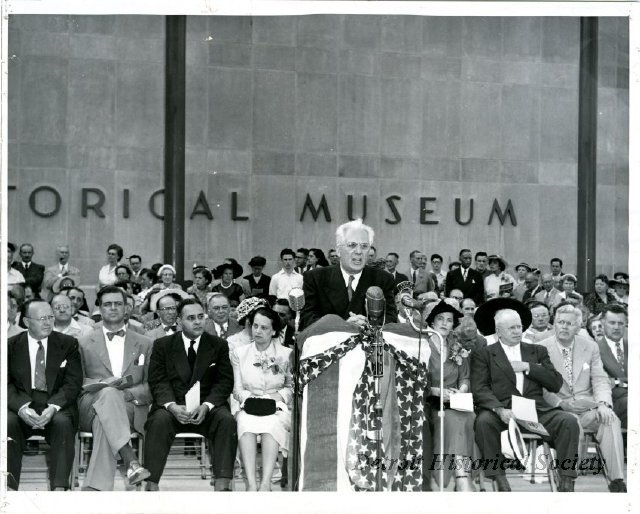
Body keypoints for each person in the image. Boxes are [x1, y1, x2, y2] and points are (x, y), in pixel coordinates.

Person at [471, 298, 581, 492]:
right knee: (483, 421)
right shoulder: (484, 354)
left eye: (519, 327)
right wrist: (498, 409)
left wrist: (529, 367)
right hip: (503, 412)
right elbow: (480, 388)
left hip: (536, 411)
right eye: (511, 328)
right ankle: (499, 479)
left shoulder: (537, 351)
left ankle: (567, 481)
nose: (517, 332)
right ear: (498, 331)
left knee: (568, 421)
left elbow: (555, 383)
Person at [144, 299, 237, 491]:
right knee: (158, 421)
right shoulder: (162, 345)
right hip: (173, 408)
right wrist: (171, 406)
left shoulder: (218, 345)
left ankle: (223, 485)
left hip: (207, 408)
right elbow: (158, 381)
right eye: (191, 318)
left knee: (226, 421)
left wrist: (207, 406)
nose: (197, 322)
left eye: (200, 317)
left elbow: (224, 381)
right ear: (179, 321)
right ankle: (151, 485)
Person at [539, 304, 626, 492]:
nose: (564, 327)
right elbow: (540, 386)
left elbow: (600, 379)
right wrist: (559, 403)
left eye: (569, 324)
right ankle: (568, 477)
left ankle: (617, 480)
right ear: (554, 324)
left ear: (578, 327)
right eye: (560, 322)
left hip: (587, 408)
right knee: (570, 423)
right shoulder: (541, 348)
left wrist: (604, 404)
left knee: (610, 420)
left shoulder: (590, 346)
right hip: (558, 409)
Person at [77, 286, 153, 490]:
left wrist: (129, 393)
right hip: (90, 405)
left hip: (130, 406)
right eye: (107, 304)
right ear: (100, 309)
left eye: (118, 304)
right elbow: (76, 381)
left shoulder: (145, 343)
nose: (113, 308)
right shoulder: (82, 342)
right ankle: (130, 459)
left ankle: (96, 486)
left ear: (127, 308)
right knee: (108, 394)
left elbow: (151, 384)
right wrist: (101, 386)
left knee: (105, 417)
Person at [7, 299, 83, 490]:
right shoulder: (11, 345)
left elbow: (73, 383)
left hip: (56, 402)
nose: (48, 322)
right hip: (22, 401)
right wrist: (22, 408)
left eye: (50, 317)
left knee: (63, 423)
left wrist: (54, 407)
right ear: (26, 321)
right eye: (42, 318)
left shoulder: (68, 344)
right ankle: (8, 487)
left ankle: (59, 488)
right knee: (7, 424)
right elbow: (5, 383)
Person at [230, 307, 293, 491]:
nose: (258, 331)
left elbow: (290, 387)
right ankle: (251, 483)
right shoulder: (240, 354)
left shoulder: (286, 354)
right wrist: (251, 399)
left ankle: (265, 483)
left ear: (274, 331)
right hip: (248, 405)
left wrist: (273, 397)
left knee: (271, 426)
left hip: (276, 406)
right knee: (245, 424)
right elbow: (237, 389)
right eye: (255, 326)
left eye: (264, 328)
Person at [301, 219, 397, 330]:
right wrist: (343, 326)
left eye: (364, 246)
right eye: (352, 245)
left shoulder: (383, 279)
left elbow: (390, 319)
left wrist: (368, 325)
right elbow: (308, 319)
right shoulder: (315, 278)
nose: (359, 251)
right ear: (338, 250)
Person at [422, 300, 476, 491]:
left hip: (455, 401)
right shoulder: (423, 346)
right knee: (452, 419)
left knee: (467, 416)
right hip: (429, 402)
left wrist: (461, 389)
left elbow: (465, 377)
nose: (445, 324)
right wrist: (436, 391)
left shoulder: (457, 346)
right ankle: (462, 477)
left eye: (449, 320)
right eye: (440, 319)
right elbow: (418, 381)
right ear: (432, 323)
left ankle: (461, 476)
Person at [596, 304, 628, 429]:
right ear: (602, 324)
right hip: (612, 403)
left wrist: (618, 381)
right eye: (612, 323)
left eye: (621, 323)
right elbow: (600, 381)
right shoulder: (594, 348)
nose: (616, 327)